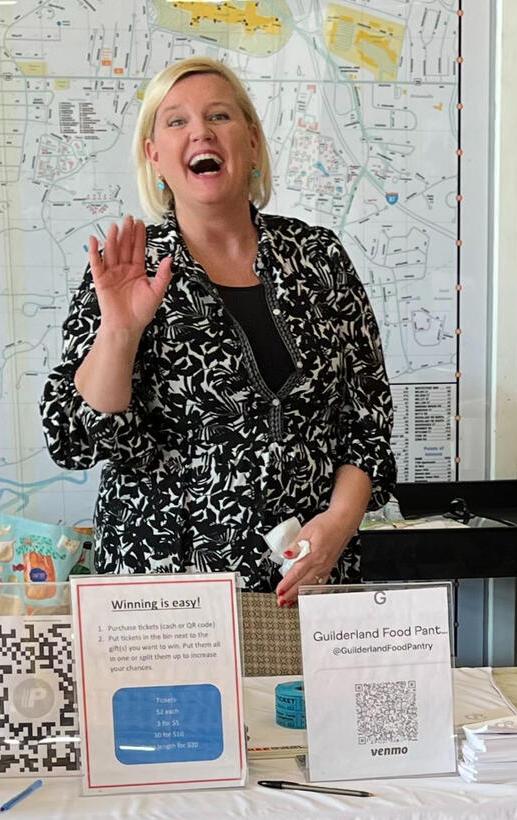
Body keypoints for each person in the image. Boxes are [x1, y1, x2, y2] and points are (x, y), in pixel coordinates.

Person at [41, 56, 394, 602]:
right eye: (176, 121)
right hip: (166, 592)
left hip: (308, 577)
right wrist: (120, 332)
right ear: (154, 156)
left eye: (219, 116)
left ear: (251, 141)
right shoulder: (128, 269)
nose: (201, 132)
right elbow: (74, 438)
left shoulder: (318, 256)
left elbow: (366, 419)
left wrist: (339, 526)